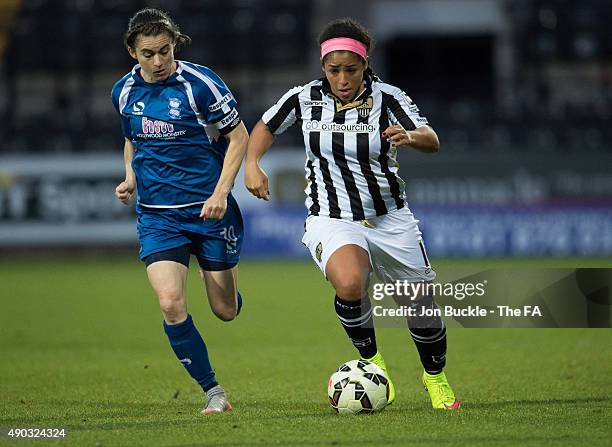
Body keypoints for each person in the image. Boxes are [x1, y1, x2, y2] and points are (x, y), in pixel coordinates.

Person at [245, 18, 459, 410]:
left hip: (390, 219)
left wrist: (411, 137)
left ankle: (435, 378)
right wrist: (252, 163)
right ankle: (373, 363)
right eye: (334, 70)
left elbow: (432, 139)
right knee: (348, 283)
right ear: (323, 66)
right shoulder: (303, 98)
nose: (342, 78)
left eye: (351, 69)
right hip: (331, 216)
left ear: (365, 64)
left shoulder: (388, 98)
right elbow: (265, 126)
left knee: (421, 309)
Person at [111, 8, 248, 415]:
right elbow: (132, 139)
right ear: (132, 52)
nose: (158, 62)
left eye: (165, 52)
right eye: (149, 53)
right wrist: (130, 179)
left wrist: (222, 192)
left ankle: (222, 280)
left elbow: (238, 137)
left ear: (175, 46)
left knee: (225, 311)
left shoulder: (200, 85)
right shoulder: (122, 91)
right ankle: (213, 392)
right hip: (158, 217)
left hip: (209, 212)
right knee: (171, 303)